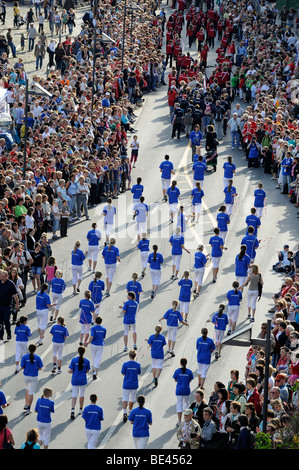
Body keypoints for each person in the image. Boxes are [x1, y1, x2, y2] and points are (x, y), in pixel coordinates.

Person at [20, 343, 43, 415]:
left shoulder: (24, 357)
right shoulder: (37, 357)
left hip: (26, 376)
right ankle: (28, 408)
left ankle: (26, 404)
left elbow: (22, 367)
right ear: (35, 349)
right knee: (31, 392)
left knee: (27, 389)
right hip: (34, 376)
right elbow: (40, 368)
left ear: (28, 349)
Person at [68, 346, 91, 419]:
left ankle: (72, 409)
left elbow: (71, 370)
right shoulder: (87, 361)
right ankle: (80, 409)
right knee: (82, 394)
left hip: (75, 379)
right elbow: (87, 371)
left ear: (78, 352)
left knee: (74, 395)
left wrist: (69, 371)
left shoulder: (74, 360)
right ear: (84, 352)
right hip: (82, 380)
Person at [121, 350, 141, 423]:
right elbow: (139, 373)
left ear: (129, 356)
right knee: (132, 398)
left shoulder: (125, 364)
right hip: (134, 384)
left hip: (126, 383)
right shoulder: (138, 364)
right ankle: (129, 411)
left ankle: (124, 412)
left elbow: (123, 373)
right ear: (135, 356)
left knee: (125, 398)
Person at [173, 357, 194, 426]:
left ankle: (179, 420)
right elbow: (190, 380)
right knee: (186, 404)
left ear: (180, 363)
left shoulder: (177, 371)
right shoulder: (189, 371)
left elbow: (175, 379)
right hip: (186, 390)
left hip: (179, 390)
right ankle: (186, 420)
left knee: (179, 405)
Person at [85, 316, 106, 380]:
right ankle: (95, 371)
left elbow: (91, 336)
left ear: (95, 321)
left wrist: (88, 342)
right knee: (98, 358)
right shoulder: (104, 329)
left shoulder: (93, 328)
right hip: (100, 344)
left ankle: (94, 368)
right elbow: (104, 337)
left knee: (94, 357)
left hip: (93, 344)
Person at [0, 269, 19, 341]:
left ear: (7, 276)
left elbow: (15, 295)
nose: (2, 278)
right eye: (1, 276)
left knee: (6, 320)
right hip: (0, 306)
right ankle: (1, 335)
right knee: (0, 321)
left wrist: (17, 304)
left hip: (7, 306)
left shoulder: (10, 284)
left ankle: (8, 333)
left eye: (4, 276)